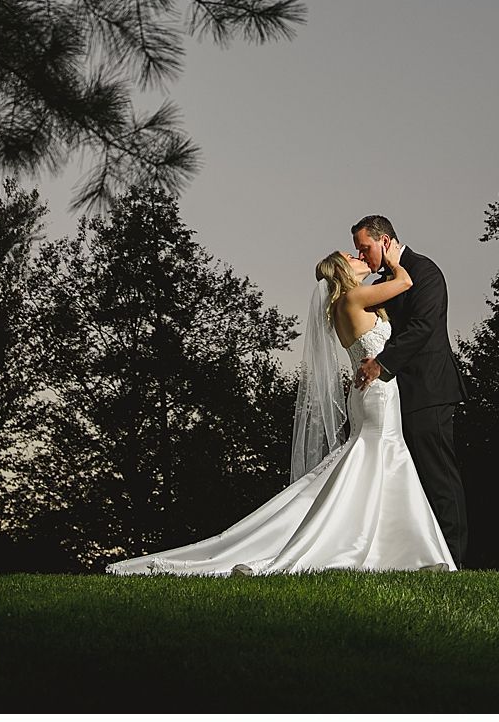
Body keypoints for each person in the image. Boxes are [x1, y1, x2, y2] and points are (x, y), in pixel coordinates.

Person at [106, 242, 454, 576]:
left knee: (371, 464)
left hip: (368, 393)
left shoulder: (344, 305)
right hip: (377, 393)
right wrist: (392, 258)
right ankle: (397, 548)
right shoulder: (354, 297)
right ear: (344, 272)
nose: (359, 256)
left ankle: (385, 546)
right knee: (383, 458)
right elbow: (406, 281)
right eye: (352, 256)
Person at [351, 215, 468, 569]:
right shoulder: (385, 282)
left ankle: (454, 561)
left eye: (365, 247)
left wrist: (380, 365)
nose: (362, 255)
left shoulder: (425, 271)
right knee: (408, 483)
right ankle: (417, 557)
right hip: (395, 398)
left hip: (429, 391)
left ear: (384, 240)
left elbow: (422, 327)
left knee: (439, 478)